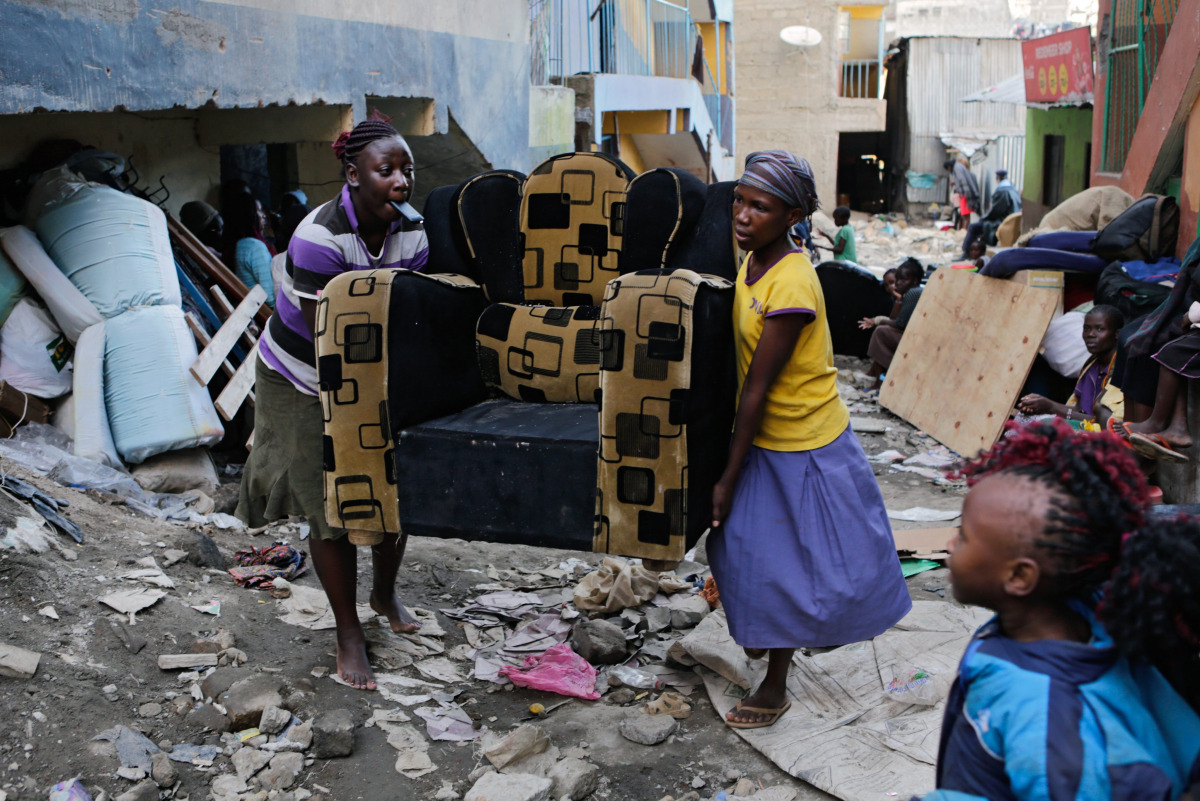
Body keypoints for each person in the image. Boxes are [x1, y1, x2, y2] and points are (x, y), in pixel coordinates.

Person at [708, 150, 911, 729]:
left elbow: (759, 390)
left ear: (793, 214)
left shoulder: (793, 280)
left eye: (761, 207)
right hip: (766, 438)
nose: (744, 215)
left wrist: (728, 475)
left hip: (804, 443)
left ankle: (775, 685)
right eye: (740, 201)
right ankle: (765, 632)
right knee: (735, 551)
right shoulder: (751, 263)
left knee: (786, 567)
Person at [236, 117, 429, 691]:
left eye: (407, 170)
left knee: (392, 493)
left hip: (372, 370)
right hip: (301, 374)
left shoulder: (412, 235)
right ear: (353, 175)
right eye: (386, 170)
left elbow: (407, 316)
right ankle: (348, 631)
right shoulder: (316, 238)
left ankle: (384, 592)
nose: (401, 181)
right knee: (331, 505)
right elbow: (334, 339)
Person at [918, 421, 1200, 801]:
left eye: (964, 535)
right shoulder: (1077, 610)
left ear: (1019, 576)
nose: (951, 544)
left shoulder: (1052, 728)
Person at [1017, 305, 1125, 428]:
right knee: (1025, 418)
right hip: (1086, 427)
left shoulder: (1121, 369)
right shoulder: (1092, 365)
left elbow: (1106, 423)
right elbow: (1080, 410)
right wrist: (1037, 405)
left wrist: (1051, 406)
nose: (1091, 334)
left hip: (1103, 435)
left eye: (1100, 329)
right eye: (1086, 329)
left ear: (1117, 334)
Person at [858, 259, 925, 389]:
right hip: (915, 336)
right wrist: (899, 300)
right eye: (897, 279)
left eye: (903, 280)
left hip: (916, 340)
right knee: (883, 330)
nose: (898, 283)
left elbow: (899, 324)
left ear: (915, 280)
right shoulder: (909, 293)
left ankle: (886, 378)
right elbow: (895, 319)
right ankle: (880, 378)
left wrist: (877, 320)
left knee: (880, 332)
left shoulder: (913, 293)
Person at [222, 192, 277, 309]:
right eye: (258, 211)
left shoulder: (239, 244)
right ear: (248, 215)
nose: (263, 215)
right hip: (265, 312)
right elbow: (269, 297)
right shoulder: (254, 246)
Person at [960, 168, 1022, 259]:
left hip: (1001, 222)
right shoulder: (1013, 190)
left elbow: (995, 212)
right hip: (1009, 220)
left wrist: (983, 219)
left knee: (973, 227)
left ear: (998, 178)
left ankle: (966, 253)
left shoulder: (1002, 191)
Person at [944, 158, 980, 231]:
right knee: (963, 216)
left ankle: (965, 232)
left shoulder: (957, 168)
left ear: (949, 167)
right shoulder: (959, 168)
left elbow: (963, 182)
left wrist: (967, 196)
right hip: (965, 195)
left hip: (965, 196)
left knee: (965, 216)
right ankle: (963, 231)